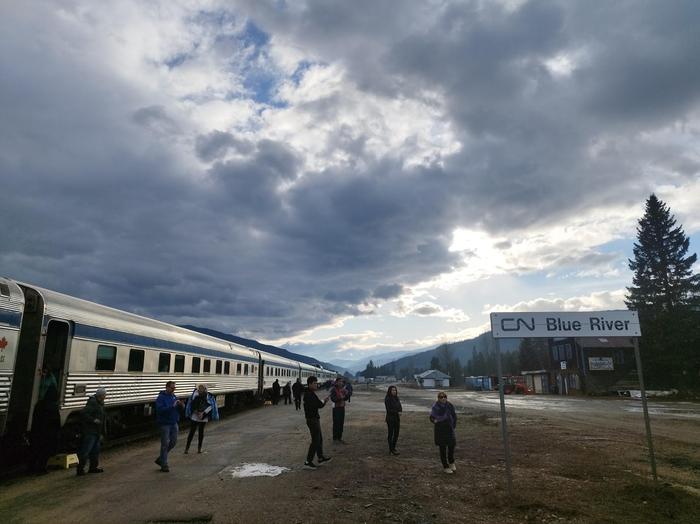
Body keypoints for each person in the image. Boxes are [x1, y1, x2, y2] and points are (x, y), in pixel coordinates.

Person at [29, 385, 61, 474]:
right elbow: (56, 422)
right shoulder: (53, 407)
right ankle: (41, 468)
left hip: (37, 431)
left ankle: (31, 468)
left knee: (35, 450)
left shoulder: (39, 404)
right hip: (48, 434)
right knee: (45, 452)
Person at [303, 376, 332, 469]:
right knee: (315, 440)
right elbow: (318, 405)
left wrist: (323, 401)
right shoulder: (309, 394)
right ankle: (308, 462)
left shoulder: (311, 393)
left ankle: (320, 457)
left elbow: (318, 404)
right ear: (310, 384)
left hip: (314, 419)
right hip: (312, 420)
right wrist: (324, 401)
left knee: (319, 439)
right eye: (315, 383)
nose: (316, 385)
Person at [77, 387, 106, 476]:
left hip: (96, 432)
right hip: (90, 432)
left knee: (95, 451)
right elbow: (83, 414)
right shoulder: (93, 403)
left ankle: (93, 468)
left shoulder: (99, 403)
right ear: (100, 396)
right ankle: (80, 469)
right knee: (86, 451)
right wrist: (93, 420)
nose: (105, 397)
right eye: (104, 395)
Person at [155, 381, 183, 472]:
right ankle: (164, 464)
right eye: (172, 388)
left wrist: (181, 405)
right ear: (167, 387)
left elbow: (177, 408)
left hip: (174, 422)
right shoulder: (161, 398)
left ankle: (161, 459)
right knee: (165, 444)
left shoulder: (174, 396)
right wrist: (172, 406)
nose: (173, 389)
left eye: (174, 388)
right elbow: (160, 410)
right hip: (165, 424)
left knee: (173, 442)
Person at [184, 384, 219, 454]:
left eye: (201, 389)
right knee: (192, 432)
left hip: (203, 416)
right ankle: (187, 449)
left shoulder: (209, 397)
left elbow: (211, 406)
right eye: (199, 389)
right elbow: (192, 405)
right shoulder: (195, 396)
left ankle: (199, 449)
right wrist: (197, 412)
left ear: (205, 389)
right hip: (195, 416)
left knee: (201, 432)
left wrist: (203, 413)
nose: (200, 391)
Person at [430, 391, 457, 474]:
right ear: (438, 398)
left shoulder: (449, 405)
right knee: (443, 448)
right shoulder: (435, 407)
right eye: (441, 397)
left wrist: (453, 424)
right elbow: (432, 417)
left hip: (449, 429)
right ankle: (445, 466)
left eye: (444, 396)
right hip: (440, 430)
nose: (443, 398)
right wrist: (435, 421)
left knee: (451, 446)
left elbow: (454, 415)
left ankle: (451, 462)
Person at [384, 385, 402, 456]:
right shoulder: (387, 399)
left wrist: (400, 411)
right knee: (391, 434)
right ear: (389, 391)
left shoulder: (396, 398)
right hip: (390, 418)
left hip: (397, 418)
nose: (394, 391)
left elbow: (400, 406)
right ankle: (391, 449)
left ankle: (394, 448)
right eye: (393, 390)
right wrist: (397, 412)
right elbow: (389, 410)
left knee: (396, 434)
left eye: (395, 390)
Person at [329, 377, 348, 443]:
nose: (341, 383)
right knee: (336, 423)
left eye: (342, 381)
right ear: (336, 382)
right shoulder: (333, 390)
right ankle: (335, 438)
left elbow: (345, 398)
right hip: (336, 408)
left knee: (341, 423)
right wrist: (340, 398)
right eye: (339, 381)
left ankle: (339, 437)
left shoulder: (343, 389)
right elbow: (333, 399)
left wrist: (347, 395)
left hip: (342, 407)